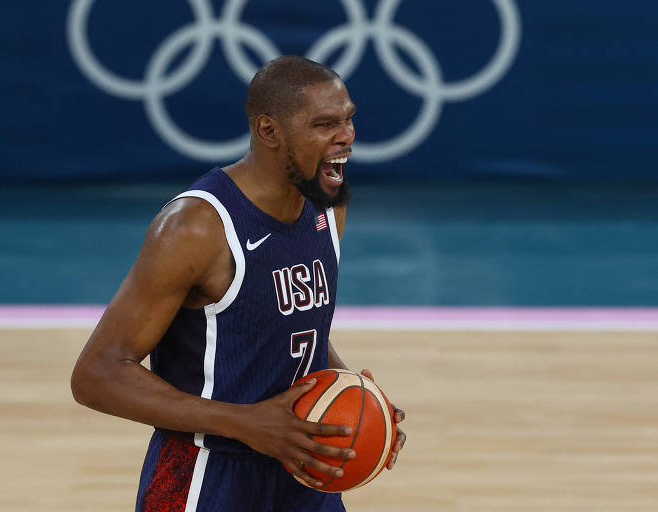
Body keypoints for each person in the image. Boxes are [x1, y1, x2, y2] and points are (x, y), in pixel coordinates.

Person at [70, 55, 406, 512]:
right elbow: (97, 374)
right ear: (269, 131)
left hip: (300, 466)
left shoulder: (326, 206)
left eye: (348, 119)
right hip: (205, 475)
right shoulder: (197, 227)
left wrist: (355, 400)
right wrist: (248, 424)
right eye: (324, 124)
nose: (345, 136)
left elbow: (292, 332)